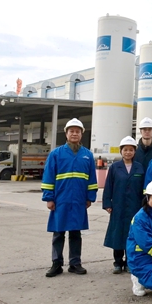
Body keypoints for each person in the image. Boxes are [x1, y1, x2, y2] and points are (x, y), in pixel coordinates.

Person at [41, 118, 98, 277]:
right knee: (58, 233)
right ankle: (56, 263)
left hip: (79, 200)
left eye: (77, 131)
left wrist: (90, 197)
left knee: (75, 233)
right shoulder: (56, 154)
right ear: (66, 133)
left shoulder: (87, 155)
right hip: (60, 199)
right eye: (71, 131)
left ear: (81, 134)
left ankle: (75, 263)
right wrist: (49, 198)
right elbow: (48, 177)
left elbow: (92, 179)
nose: (74, 134)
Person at [102, 136, 145, 274]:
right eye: (125, 149)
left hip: (135, 206)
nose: (128, 152)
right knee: (118, 233)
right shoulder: (115, 167)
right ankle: (117, 262)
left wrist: (144, 205)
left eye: (131, 150)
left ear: (135, 151)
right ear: (121, 151)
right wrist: (107, 203)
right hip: (118, 206)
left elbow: (143, 188)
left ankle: (129, 262)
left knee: (132, 234)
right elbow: (108, 186)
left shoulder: (139, 167)